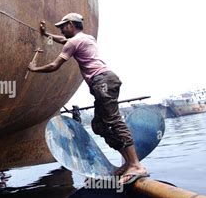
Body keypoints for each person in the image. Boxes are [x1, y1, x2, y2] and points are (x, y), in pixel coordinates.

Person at [27, 13, 148, 184]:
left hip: (102, 81)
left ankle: (136, 165)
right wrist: (46, 34)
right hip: (106, 80)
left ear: (71, 24)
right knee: (99, 126)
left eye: (63, 26)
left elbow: (54, 66)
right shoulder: (86, 38)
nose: (61, 29)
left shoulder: (73, 42)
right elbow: (63, 40)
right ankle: (129, 162)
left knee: (114, 120)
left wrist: (34, 69)